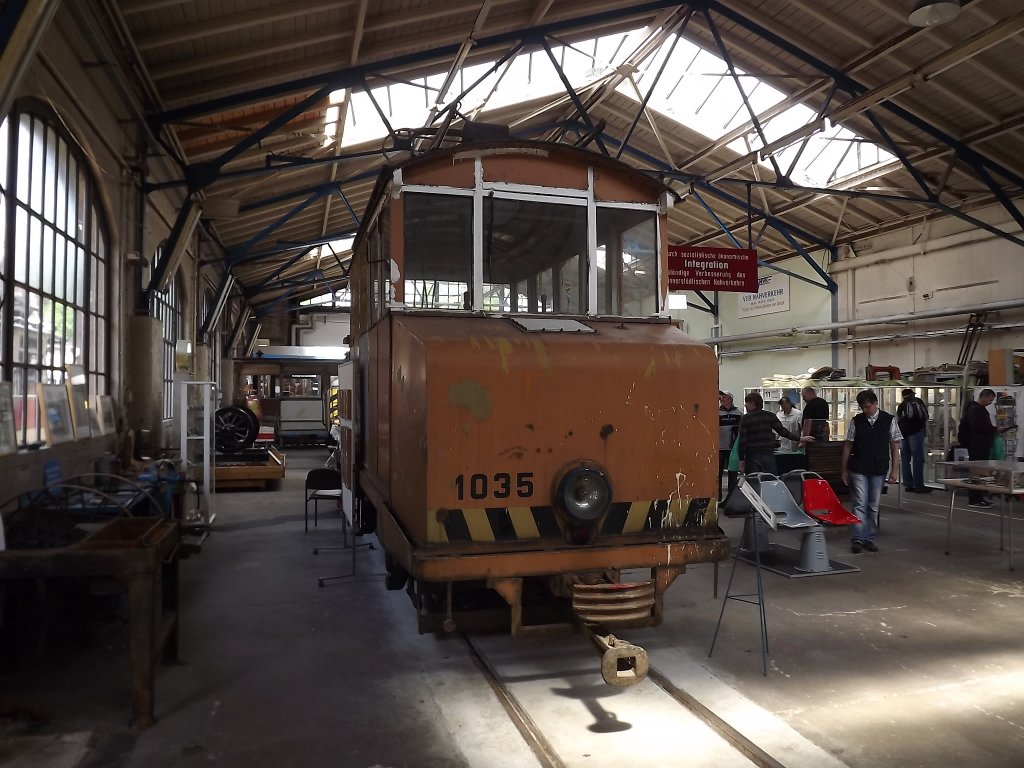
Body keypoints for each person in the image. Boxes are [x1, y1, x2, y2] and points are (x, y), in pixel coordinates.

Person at [841, 390, 901, 554]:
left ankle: (869, 538)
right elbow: (848, 445)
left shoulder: (889, 420)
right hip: (858, 467)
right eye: (862, 407)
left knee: (873, 505)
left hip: (879, 468)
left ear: (875, 404)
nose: (865, 410)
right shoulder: (856, 421)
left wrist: (894, 470)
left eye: (868, 407)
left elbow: (895, 446)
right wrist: (844, 469)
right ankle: (857, 538)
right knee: (860, 503)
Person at [958, 388, 1015, 508]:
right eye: (990, 400)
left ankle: (979, 497)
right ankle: (975, 499)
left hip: (979, 444)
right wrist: (994, 429)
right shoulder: (975, 410)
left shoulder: (976, 409)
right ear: (983, 396)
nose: (990, 402)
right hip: (977, 445)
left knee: (979, 472)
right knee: (977, 472)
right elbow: (978, 427)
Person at [738, 392, 813, 475]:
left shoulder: (745, 418)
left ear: (753, 403)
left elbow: (742, 440)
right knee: (770, 479)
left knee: (754, 480)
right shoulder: (770, 415)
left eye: (747, 403)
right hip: (768, 453)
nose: (745, 405)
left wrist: (741, 459)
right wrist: (800, 438)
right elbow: (783, 431)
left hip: (752, 454)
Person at [896, 388, 932, 494]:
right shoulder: (918, 402)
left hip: (903, 434)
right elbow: (925, 416)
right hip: (915, 432)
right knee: (918, 458)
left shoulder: (901, 406)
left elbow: (898, 420)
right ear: (912, 394)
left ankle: (908, 484)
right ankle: (919, 485)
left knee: (905, 459)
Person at [718, 391, 742, 501]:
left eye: (724, 397)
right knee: (718, 474)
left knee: (733, 474)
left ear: (730, 399)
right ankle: (717, 499)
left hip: (733, 449)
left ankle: (731, 499)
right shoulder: (716, 412)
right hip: (719, 448)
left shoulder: (738, 413)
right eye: (721, 397)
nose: (721, 399)